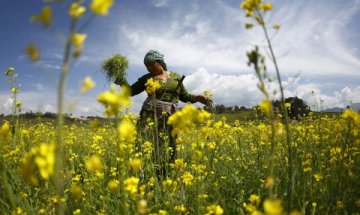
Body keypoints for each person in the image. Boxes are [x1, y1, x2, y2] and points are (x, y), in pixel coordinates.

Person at [115, 50, 209, 175]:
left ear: (160, 62)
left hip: (170, 118)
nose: (149, 68)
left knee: (170, 146)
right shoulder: (147, 78)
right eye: (147, 66)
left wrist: (197, 98)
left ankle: (166, 176)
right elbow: (130, 91)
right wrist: (120, 79)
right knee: (144, 145)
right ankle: (139, 175)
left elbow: (185, 97)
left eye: (151, 64)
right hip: (150, 116)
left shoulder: (175, 77)